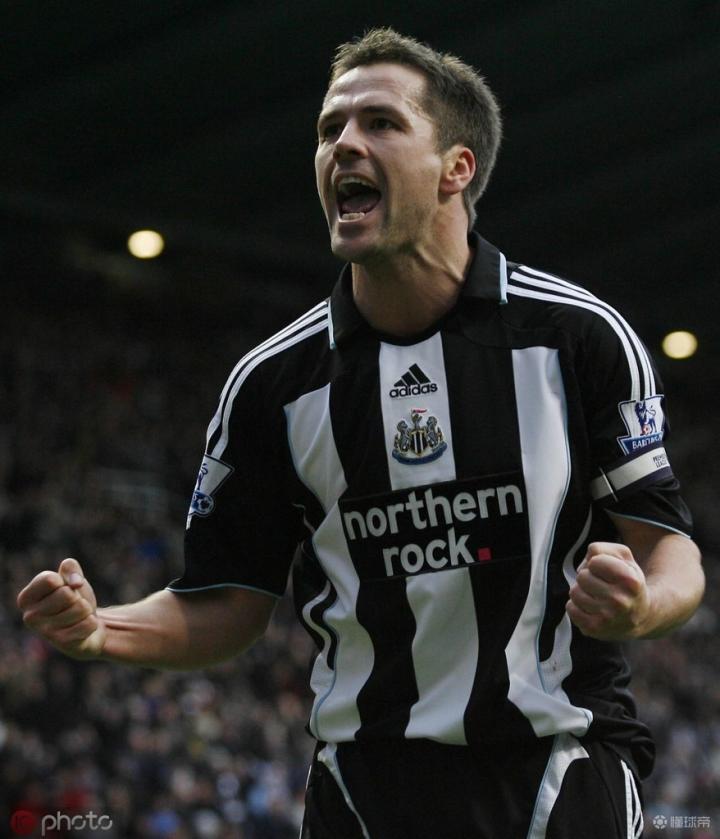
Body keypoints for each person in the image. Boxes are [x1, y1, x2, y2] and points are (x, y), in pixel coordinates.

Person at [17, 28, 704, 839]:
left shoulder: (577, 339)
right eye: (329, 128)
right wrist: (104, 628)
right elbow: (227, 602)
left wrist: (640, 607)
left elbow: (672, 552)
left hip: (560, 775)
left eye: (380, 122)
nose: (343, 143)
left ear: (456, 168)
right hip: (363, 793)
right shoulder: (273, 384)